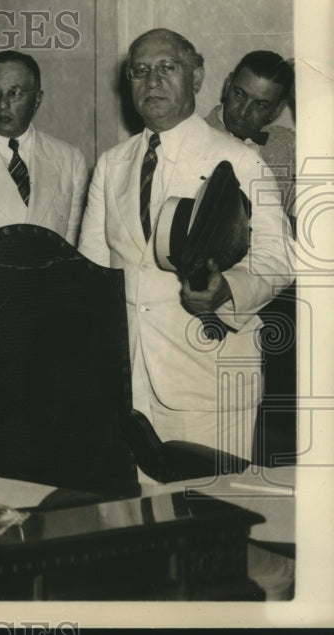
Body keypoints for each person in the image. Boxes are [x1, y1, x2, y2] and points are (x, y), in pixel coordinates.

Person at [78, 28, 292, 462]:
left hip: (207, 380)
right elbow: (92, 273)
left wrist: (227, 289)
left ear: (197, 79)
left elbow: (277, 258)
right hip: (127, 387)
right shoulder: (111, 164)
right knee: (139, 521)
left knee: (211, 517)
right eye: (139, 71)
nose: (151, 81)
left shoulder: (239, 159)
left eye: (167, 68)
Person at [0, 50, 88, 244]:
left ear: (37, 100)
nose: (2, 104)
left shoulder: (69, 159)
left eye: (15, 94)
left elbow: (71, 247)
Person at [205, 50, 296, 224]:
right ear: (228, 85)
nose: (243, 112)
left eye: (260, 105)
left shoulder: (287, 146)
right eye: (239, 94)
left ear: (277, 109)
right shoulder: (191, 137)